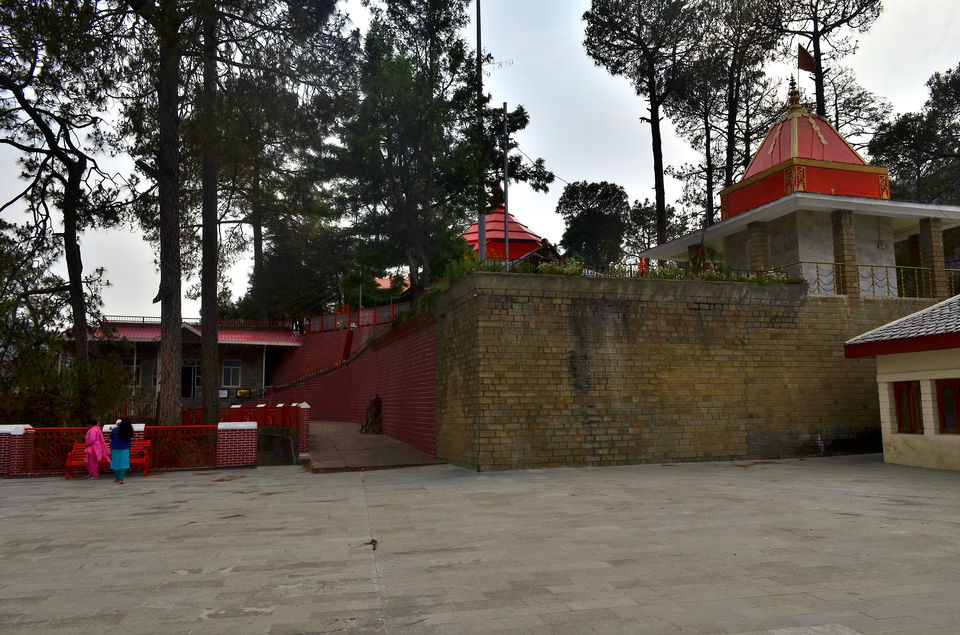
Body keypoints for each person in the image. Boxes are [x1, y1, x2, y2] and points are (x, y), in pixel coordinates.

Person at [110, 418, 134, 484]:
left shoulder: (115, 430)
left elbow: (111, 437)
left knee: (115, 463)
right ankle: (121, 479)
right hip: (125, 448)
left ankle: (117, 477)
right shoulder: (128, 431)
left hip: (115, 448)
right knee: (124, 463)